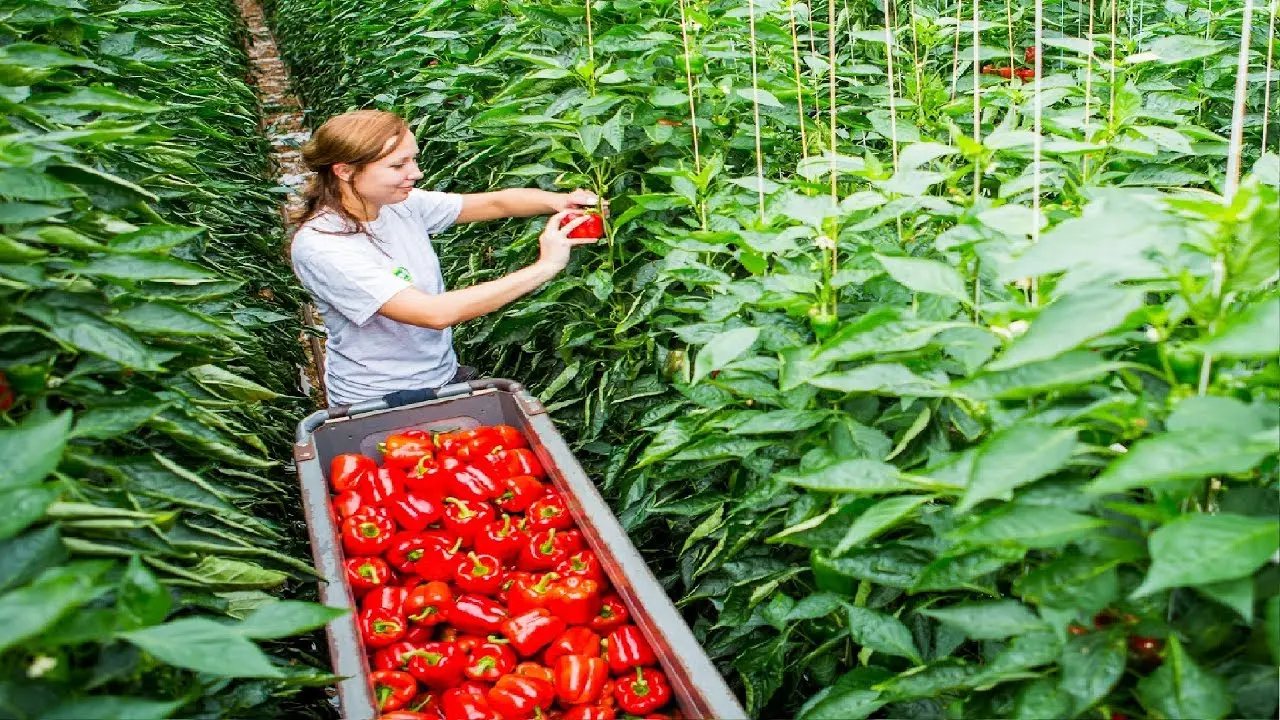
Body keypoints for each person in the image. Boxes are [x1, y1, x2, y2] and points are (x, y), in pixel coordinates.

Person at [289, 109, 604, 406]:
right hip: (379, 398)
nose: (416, 173)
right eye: (398, 166)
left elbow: (497, 204)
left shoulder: (398, 204)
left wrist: (561, 201)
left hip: (439, 374)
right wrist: (545, 266)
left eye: (413, 160)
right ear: (344, 171)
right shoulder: (324, 246)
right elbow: (434, 313)